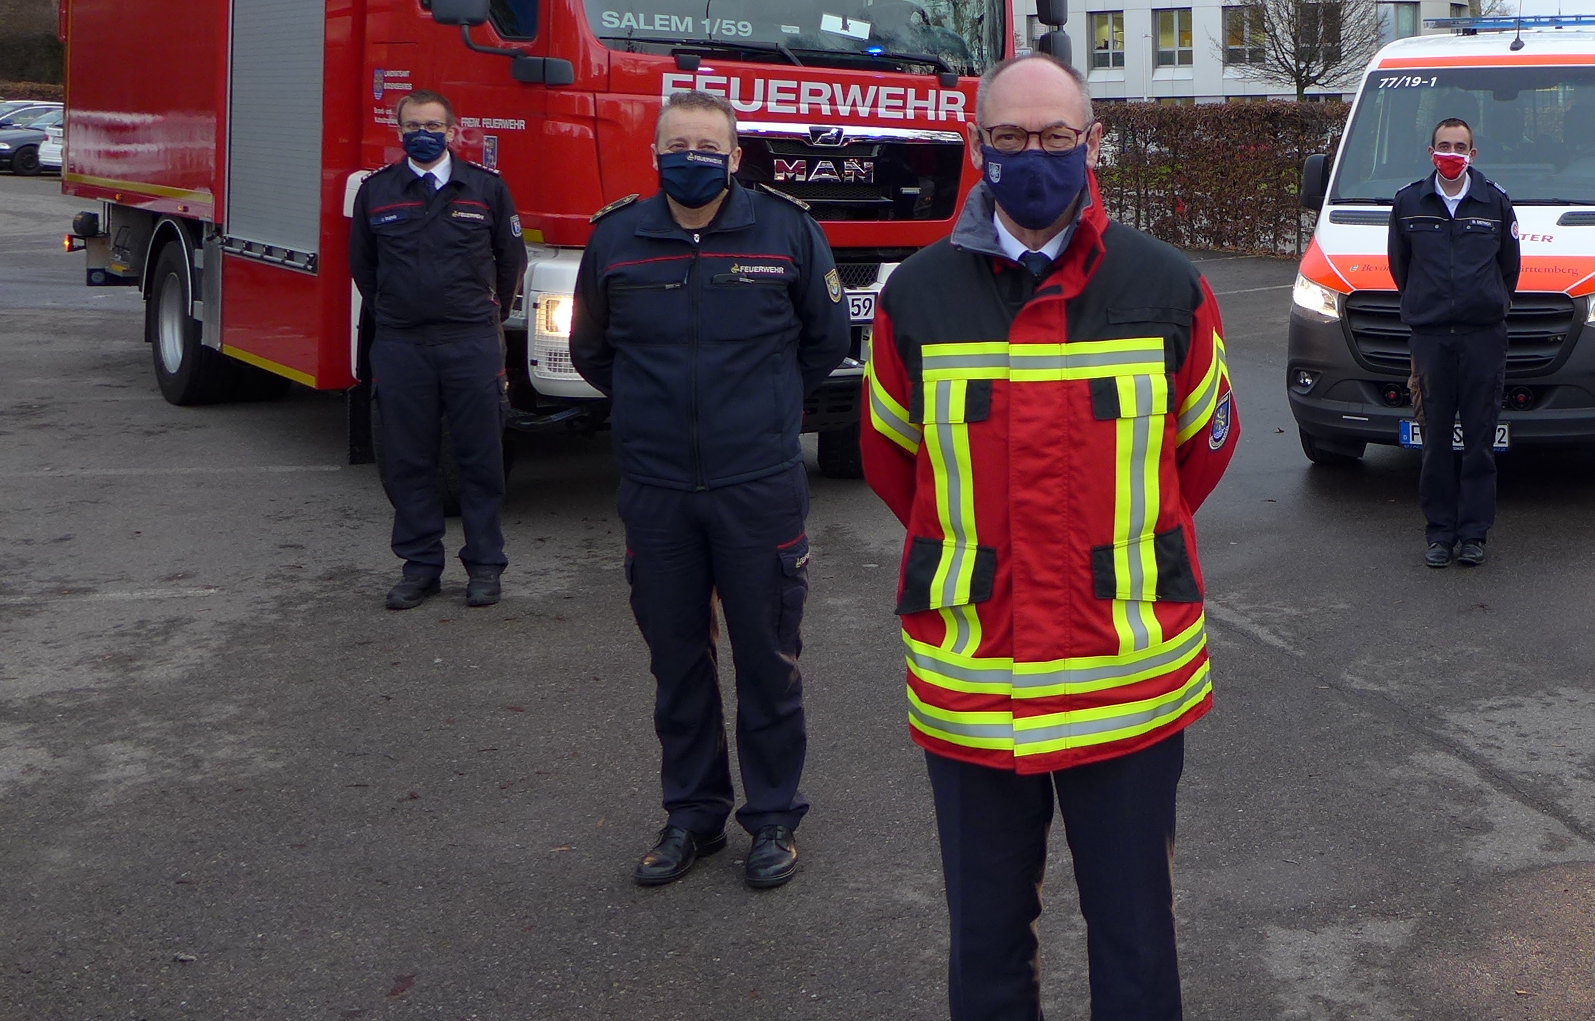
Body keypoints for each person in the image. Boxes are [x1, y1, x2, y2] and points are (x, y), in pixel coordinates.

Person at [862, 51, 1237, 1020]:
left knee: (1137, 950)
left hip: (1128, 685)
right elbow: (891, 465)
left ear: (1093, 143)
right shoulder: (914, 297)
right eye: (1012, 136)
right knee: (985, 952)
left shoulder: (1169, 286)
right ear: (976, 144)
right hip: (974, 689)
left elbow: (1202, 450)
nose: (1035, 154)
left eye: (1057, 136)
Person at [570, 90, 850, 892]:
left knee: (768, 658)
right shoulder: (617, 237)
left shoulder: (786, 231)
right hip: (657, 490)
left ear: (733, 158)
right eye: (675, 144)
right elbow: (593, 351)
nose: (690, 157)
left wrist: (759, 417)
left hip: (756, 486)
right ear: (655, 154)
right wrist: (654, 419)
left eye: (706, 146)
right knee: (677, 660)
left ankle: (771, 819)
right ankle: (692, 816)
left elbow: (825, 340)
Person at [348, 90, 525, 611]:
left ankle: (486, 567)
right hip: (402, 344)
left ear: (453, 131)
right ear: (398, 130)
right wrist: (397, 315)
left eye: (432, 124)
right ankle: (420, 567)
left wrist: (485, 314)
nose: (421, 132)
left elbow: (509, 260)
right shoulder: (376, 192)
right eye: (411, 124)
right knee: (409, 460)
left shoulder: (487, 190)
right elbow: (364, 265)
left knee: (481, 458)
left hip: (469, 340)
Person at [1386, 116, 1521, 568]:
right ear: (1431, 153)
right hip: (1430, 340)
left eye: (1460, 146)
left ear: (1472, 154)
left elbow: (1509, 270)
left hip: (1483, 338)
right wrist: (1427, 306)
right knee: (1435, 441)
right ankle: (1440, 534)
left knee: (1480, 441)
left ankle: (1474, 533)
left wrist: (1486, 304)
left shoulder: (1496, 203)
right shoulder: (1408, 203)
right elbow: (1400, 269)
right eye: (1444, 145)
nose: (1452, 153)